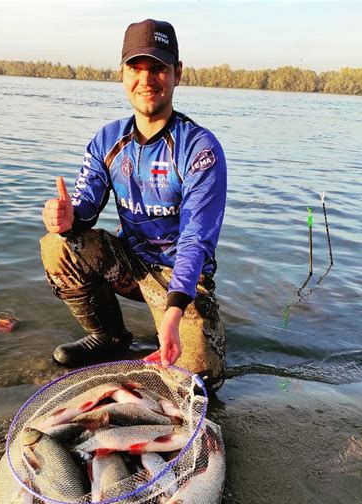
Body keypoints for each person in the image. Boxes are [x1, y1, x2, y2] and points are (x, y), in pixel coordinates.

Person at [40, 19, 227, 392]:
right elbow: (86, 209)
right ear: (122, 74)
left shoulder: (200, 149)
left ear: (177, 73)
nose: (147, 79)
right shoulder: (108, 139)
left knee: (198, 384)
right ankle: (110, 338)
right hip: (131, 263)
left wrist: (173, 314)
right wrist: (65, 217)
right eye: (136, 68)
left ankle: (178, 329)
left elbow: (195, 241)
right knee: (56, 246)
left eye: (158, 67)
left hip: (183, 280)